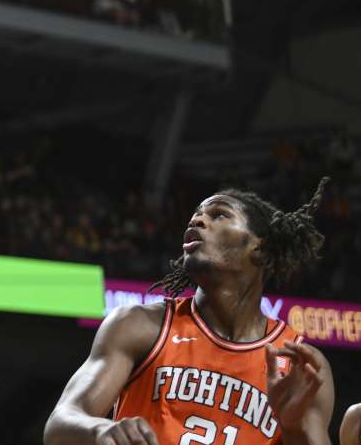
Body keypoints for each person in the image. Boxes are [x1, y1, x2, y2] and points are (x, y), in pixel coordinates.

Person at [44, 179, 335, 445]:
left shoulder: (298, 365)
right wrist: (99, 430)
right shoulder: (140, 326)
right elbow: (59, 425)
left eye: (219, 214)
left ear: (260, 249)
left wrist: (294, 428)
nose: (197, 219)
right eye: (196, 214)